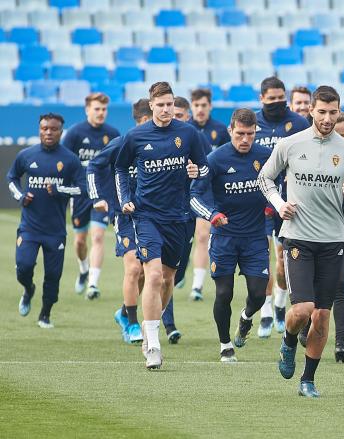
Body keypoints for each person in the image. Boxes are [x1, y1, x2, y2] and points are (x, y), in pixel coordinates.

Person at [258, 86, 344, 397]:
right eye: (321, 112)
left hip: (333, 241)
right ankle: (288, 341)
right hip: (298, 238)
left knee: (322, 316)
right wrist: (280, 205)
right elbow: (265, 178)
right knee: (303, 309)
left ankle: (307, 380)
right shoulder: (290, 144)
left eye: (333, 112)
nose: (327, 118)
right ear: (311, 111)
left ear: (340, 113)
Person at [115, 82, 209, 370]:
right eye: (161, 104)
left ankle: (151, 323)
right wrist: (126, 199)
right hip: (146, 216)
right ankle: (152, 344)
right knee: (153, 275)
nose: (167, 109)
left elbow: (204, 168)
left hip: (178, 218)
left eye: (170, 104)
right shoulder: (135, 136)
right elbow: (120, 168)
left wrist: (196, 171)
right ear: (151, 105)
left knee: (168, 279)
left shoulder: (188, 133)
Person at [190, 108, 272, 362]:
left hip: (256, 237)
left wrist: (274, 204)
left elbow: (280, 184)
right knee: (224, 293)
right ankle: (225, 344)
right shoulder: (215, 159)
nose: (245, 139)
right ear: (230, 131)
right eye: (240, 134)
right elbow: (194, 196)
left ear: (256, 132)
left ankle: (246, 318)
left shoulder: (267, 157)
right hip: (224, 237)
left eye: (250, 134)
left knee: (259, 294)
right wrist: (212, 214)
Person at [297, 112, 344, 362]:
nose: (340, 139)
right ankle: (304, 324)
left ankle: (341, 342)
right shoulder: (312, 153)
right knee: (312, 287)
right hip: (313, 229)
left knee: (343, 282)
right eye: (337, 134)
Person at [87, 99, 161, 344]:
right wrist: (98, 197)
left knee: (149, 274)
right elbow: (93, 167)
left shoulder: (161, 144)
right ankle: (131, 323)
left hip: (153, 216)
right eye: (147, 121)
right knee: (134, 268)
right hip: (125, 215)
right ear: (139, 120)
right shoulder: (122, 143)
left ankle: (123, 312)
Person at [8, 113, 85, 328]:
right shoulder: (26, 155)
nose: (48, 132)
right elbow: (12, 178)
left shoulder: (70, 160)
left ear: (61, 131)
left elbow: (82, 189)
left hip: (55, 230)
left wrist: (59, 190)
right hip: (29, 228)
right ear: (39, 129)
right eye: (44, 128)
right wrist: (21, 196)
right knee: (23, 267)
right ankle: (28, 289)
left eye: (53, 129)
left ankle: (45, 314)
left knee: (53, 275)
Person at [254, 76, 310, 338]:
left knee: (280, 260)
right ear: (261, 98)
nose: (277, 103)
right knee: (261, 258)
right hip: (256, 200)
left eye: (280, 98)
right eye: (271, 99)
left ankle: (278, 303)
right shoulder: (253, 123)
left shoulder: (298, 123)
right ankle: (265, 312)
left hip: (288, 201)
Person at [62, 93, 120, 300]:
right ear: (87, 110)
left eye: (104, 109)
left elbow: (117, 165)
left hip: (102, 194)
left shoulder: (113, 134)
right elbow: (64, 161)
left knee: (97, 236)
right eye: (97, 109)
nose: (101, 113)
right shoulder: (75, 133)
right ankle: (83, 268)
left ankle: (93, 285)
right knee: (79, 241)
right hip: (79, 195)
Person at [162, 95, 199, 343]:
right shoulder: (158, 140)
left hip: (187, 215)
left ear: (188, 117)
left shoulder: (195, 140)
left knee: (177, 272)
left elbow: (208, 170)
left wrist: (198, 171)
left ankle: (125, 310)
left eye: (180, 115)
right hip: (160, 215)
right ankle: (167, 324)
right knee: (162, 273)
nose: (175, 119)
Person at [188, 88, 230, 302]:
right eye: (196, 105)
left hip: (208, 189)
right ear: (191, 107)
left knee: (203, 235)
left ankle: (197, 285)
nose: (200, 109)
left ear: (210, 106)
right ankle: (177, 271)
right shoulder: (184, 129)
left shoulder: (220, 130)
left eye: (204, 105)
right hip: (184, 189)